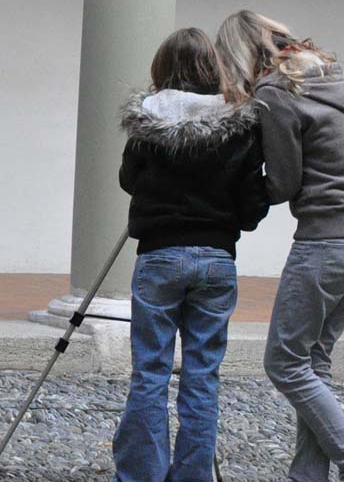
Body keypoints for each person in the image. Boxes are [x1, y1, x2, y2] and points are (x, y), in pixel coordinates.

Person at [216, 11, 344, 482]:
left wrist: (233, 188)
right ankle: (307, 476)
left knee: (284, 363)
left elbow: (285, 182)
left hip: (326, 241)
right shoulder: (330, 77)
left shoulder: (276, 92)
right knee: (312, 361)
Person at [111, 28, 268, 482]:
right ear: (213, 67)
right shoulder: (239, 122)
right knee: (202, 375)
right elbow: (252, 209)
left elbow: (128, 179)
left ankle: (142, 475)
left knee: (150, 372)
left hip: (159, 254)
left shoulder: (148, 119)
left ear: (162, 67)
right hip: (217, 258)